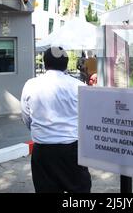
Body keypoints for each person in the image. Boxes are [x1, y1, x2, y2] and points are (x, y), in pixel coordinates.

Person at [21, 47, 92, 193]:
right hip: (71, 149)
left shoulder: (30, 84)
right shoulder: (78, 86)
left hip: (42, 151)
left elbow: (26, 118)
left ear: (45, 63)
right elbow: (87, 118)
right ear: (66, 64)